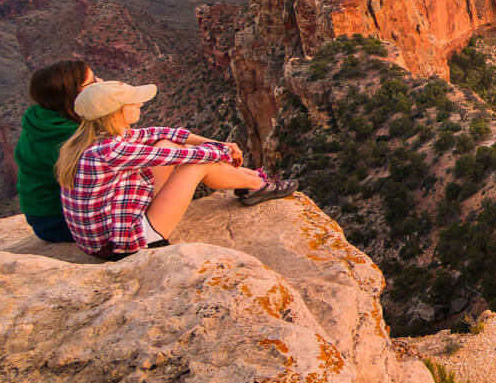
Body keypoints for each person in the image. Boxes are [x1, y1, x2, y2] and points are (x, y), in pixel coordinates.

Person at [57, 79, 296, 259]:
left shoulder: (96, 136)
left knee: (167, 144)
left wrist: (218, 144)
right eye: (134, 101)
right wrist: (224, 151)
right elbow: (186, 156)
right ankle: (258, 184)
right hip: (121, 244)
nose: (140, 103)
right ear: (117, 111)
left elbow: (161, 134)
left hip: (112, 226)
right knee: (194, 165)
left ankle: (252, 179)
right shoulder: (109, 150)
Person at [15, 59, 98, 243]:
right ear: (71, 93)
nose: (100, 82)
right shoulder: (69, 136)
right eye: (92, 82)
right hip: (59, 222)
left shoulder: (39, 118)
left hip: (41, 217)